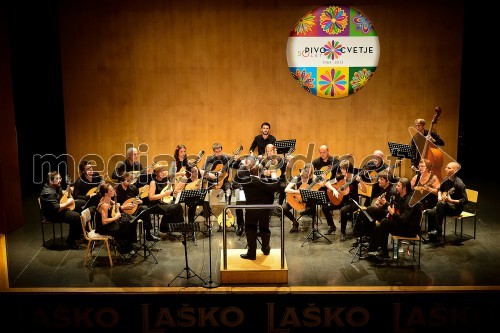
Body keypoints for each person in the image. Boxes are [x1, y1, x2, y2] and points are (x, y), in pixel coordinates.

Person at [233, 156, 280, 260]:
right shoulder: (262, 181)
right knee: (265, 228)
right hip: (264, 209)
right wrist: (272, 174)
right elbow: (276, 186)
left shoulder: (245, 179)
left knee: (250, 229)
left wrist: (245, 166)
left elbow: (236, 177)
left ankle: (251, 253)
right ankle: (266, 248)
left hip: (251, 209)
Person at [366, 178, 422, 260]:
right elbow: (397, 209)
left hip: (409, 230)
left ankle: (383, 252)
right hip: (402, 223)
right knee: (375, 216)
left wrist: (392, 213)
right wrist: (385, 203)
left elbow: (404, 220)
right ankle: (373, 248)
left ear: (404, 189)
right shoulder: (401, 196)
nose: (396, 187)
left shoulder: (410, 201)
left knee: (385, 222)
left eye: (398, 186)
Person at [323, 159, 367, 241]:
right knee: (325, 207)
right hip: (342, 201)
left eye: (342, 168)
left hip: (353, 203)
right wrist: (334, 190)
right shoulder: (341, 177)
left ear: (347, 169)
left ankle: (343, 232)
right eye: (340, 168)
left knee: (343, 210)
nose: (340, 170)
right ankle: (332, 226)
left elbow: (364, 190)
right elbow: (327, 183)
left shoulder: (355, 178)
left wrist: (360, 181)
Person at [426, 162, 468, 243]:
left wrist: (451, 201)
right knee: (431, 212)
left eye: (448, 168)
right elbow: (440, 189)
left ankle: (438, 232)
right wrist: (439, 196)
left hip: (456, 208)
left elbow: (465, 200)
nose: (445, 169)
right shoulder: (446, 179)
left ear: (455, 170)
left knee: (440, 205)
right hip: (446, 206)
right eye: (446, 167)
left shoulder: (459, 184)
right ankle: (432, 236)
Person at [39, 171, 82, 249]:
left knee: (81, 203)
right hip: (53, 214)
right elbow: (56, 208)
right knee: (75, 216)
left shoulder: (56, 186)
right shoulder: (47, 193)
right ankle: (71, 240)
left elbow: (60, 195)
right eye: (57, 179)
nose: (60, 180)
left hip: (59, 209)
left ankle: (79, 232)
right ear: (51, 181)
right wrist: (69, 203)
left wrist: (67, 190)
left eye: (60, 178)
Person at [115, 172, 160, 241]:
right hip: (122, 212)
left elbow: (139, 199)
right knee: (128, 219)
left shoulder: (133, 188)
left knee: (144, 208)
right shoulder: (116, 189)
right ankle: (130, 241)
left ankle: (148, 234)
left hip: (134, 210)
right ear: (121, 181)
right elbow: (114, 204)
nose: (130, 182)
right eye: (127, 181)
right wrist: (122, 207)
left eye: (130, 180)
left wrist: (140, 202)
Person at [95, 183, 137, 257]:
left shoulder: (109, 199)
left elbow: (115, 207)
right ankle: (124, 249)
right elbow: (104, 222)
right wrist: (116, 217)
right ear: (106, 194)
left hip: (110, 223)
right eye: (111, 190)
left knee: (130, 219)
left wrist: (117, 207)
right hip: (103, 228)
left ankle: (129, 245)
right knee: (125, 224)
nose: (114, 191)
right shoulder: (104, 205)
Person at [358, 171, 396, 240]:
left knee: (369, 210)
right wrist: (379, 204)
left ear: (387, 181)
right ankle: (367, 236)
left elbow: (391, 208)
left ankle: (367, 236)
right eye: (379, 179)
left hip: (388, 216)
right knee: (365, 212)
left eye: (381, 179)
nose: (379, 181)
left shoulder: (391, 191)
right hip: (383, 212)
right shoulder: (383, 189)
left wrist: (382, 204)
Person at [147, 163, 185, 233]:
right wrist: (164, 194)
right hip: (156, 204)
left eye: (163, 171)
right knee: (172, 208)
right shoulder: (153, 182)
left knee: (178, 206)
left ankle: (179, 226)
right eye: (160, 171)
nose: (162, 173)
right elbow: (151, 197)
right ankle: (164, 228)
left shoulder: (165, 180)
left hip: (165, 202)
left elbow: (173, 176)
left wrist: (170, 190)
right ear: (156, 173)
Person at [282, 163, 318, 233]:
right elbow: (286, 189)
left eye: (309, 172)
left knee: (314, 204)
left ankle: (314, 224)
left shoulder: (313, 177)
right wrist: (298, 192)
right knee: (283, 208)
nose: (307, 173)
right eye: (306, 171)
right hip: (297, 200)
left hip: (308, 201)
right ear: (303, 169)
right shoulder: (297, 178)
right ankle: (295, 222)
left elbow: (317, 187)